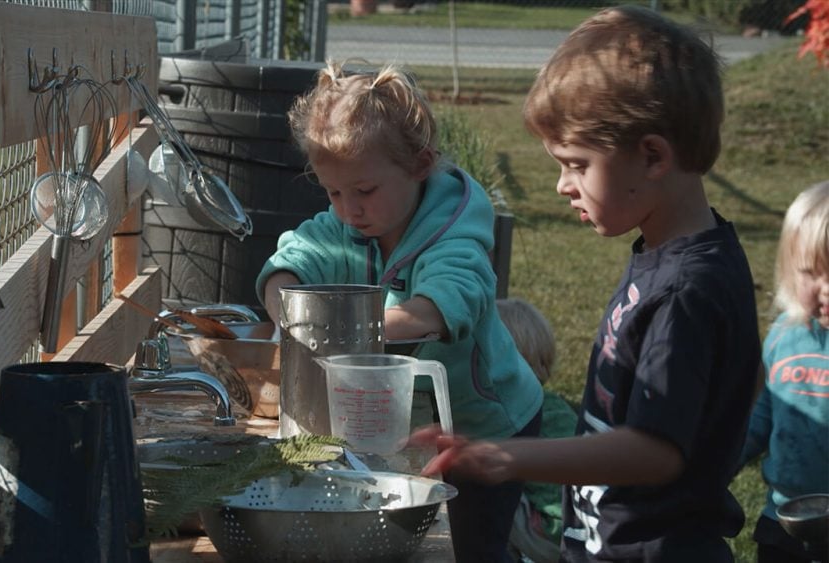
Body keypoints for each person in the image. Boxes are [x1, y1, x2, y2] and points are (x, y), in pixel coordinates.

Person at [410, 6, 763, 562]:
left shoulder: (688, 290)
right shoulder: (661, 252)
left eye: (576, 164)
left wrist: (512, 457)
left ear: (651, 156)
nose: (560, 185)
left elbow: (655, 452)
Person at [255, 60, 544, 562]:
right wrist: (289, 309)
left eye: (363, 191)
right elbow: (292, 260)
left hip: (485, 429)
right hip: (408, 427)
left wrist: (343, 333)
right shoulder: (346, 222)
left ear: (420, 164)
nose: (348, 210)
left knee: (467, 548)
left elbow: (444, 304)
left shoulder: (455, 232)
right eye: (333, 192)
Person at [738, 180, 829, 563]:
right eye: (811, 273)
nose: (826, 289)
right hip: (783, 518)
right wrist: (724, 460)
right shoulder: (783, 336)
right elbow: (761, 413)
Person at [496, 297, 577, 563]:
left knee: (479, 491)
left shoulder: (511, 411)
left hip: (551, 529)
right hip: (585, 526)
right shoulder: (556, 405)